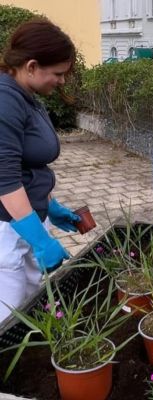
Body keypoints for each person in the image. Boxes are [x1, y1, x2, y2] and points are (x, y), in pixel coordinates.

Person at [0, 19, 81, 324]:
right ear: (31, 66)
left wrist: (50, 207)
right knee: (9, 315)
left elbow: (25, 166)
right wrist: (40, 239)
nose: (62, 81)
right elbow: (6, 181)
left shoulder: (25, 96)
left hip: (26, 219)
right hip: (8, 230)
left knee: (30, 306)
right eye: (58, 73)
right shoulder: (4, 101)